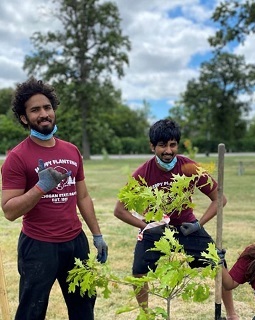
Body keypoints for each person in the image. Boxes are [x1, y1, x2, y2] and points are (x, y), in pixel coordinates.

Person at [1, 76, 108, 320]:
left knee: (84, 308)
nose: (43, 113)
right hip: (38, 246)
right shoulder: (17, 157)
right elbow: (9, 211)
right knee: (32, 311)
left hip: (75, 243)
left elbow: (83, 196)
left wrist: (97, 235)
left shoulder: (71, 150)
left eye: (47, 107)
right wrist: (41, 187)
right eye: (35, 110)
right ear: (24, 118)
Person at [114, 118, 239, 319]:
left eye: (173, 145)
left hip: (187, 227)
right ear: (152, 146)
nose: (168, 151)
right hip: (155, 229)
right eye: (162, 145)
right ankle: (146, 315)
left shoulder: (189, 168)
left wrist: (199, 224)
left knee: (218, 264)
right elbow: (119, 210)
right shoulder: (142, 174)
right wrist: (145, 226)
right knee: (138, 272)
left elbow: (219, 199)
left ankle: (232, 315)